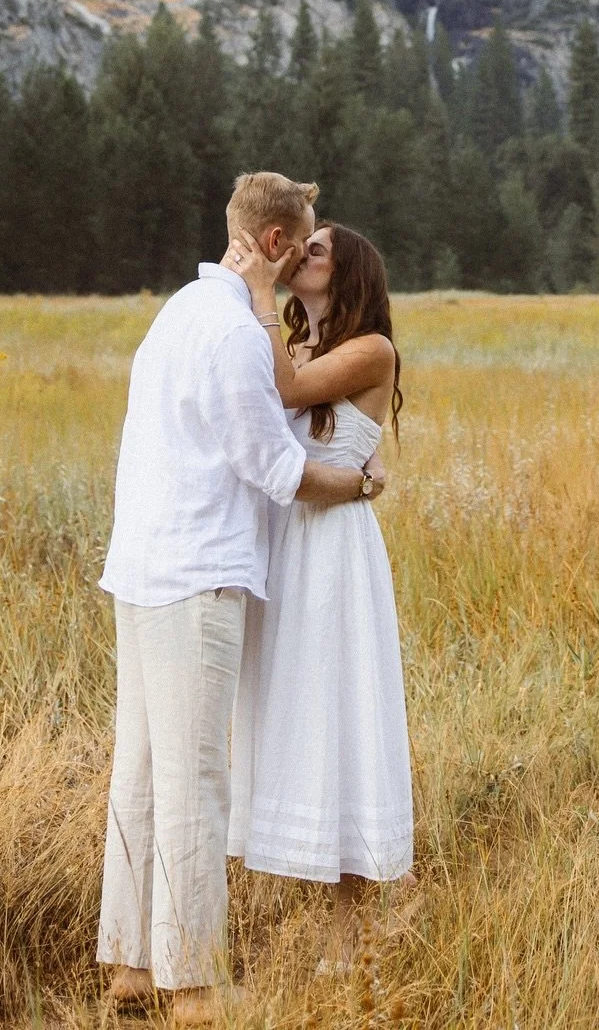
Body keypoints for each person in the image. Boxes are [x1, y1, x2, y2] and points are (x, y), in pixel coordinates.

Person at [97, 173, 387, 1025]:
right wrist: (357, 484)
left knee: (143, 770)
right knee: (195, 779)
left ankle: (130, 965)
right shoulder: (231, 329)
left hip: (145, 567)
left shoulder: (179, 312)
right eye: (303, 242)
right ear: (273, 245)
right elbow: (277, 467)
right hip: (198, 573)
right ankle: (192, 985)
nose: (306, 256)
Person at [223, 219, 413, 969]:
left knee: (343, 716)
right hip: (285, 546)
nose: (304, 251)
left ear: (351, 271)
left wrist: (261, 295)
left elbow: (290, 390)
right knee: (289, 710)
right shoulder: (297, 342)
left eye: (319, 248)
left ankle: (350, 937)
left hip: (334, 553)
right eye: (302, 243)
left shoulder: (371, 350)